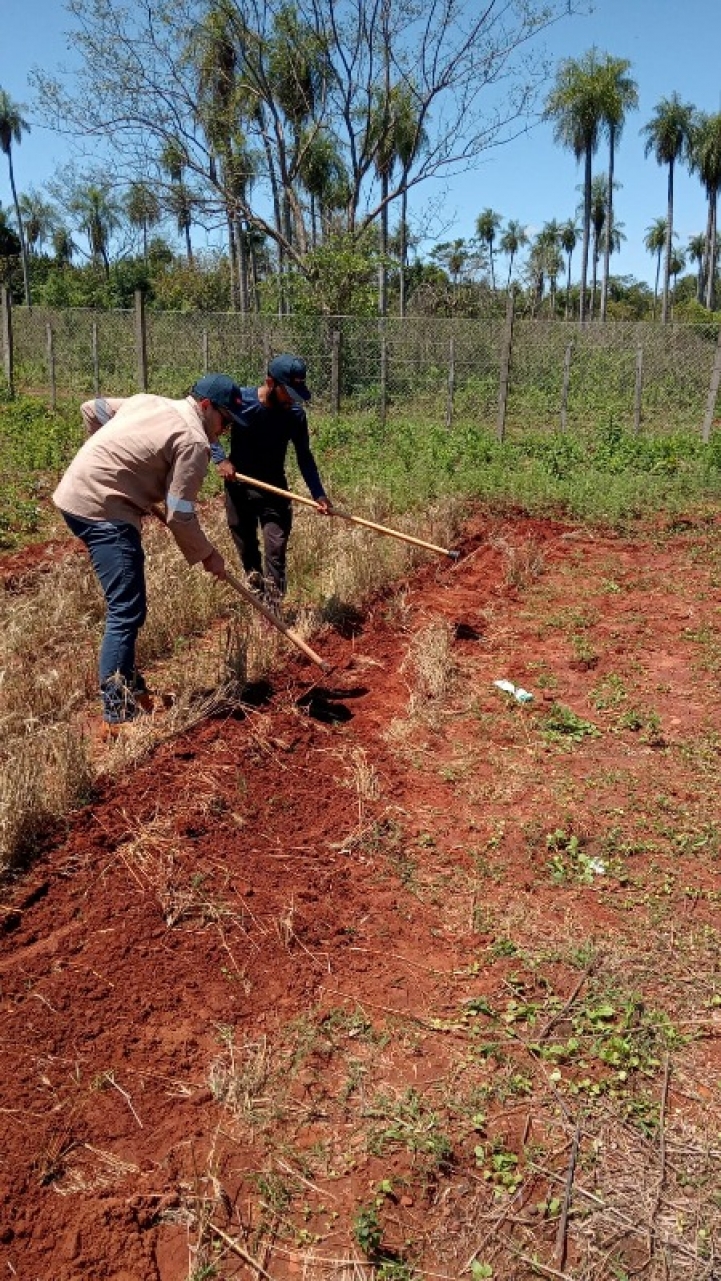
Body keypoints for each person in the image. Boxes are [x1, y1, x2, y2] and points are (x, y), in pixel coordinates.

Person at [53, 374, 243, 731]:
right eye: (226, 420)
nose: (226, 430)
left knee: (130, 602)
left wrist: (111, 458)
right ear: (205, 407)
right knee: (126, 608)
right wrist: (208, 555)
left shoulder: (150, 401)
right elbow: (179, 514)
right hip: (102, 509)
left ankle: (129, 682)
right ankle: (118, 709)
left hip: (75, 493)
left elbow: (92, 409)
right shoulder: (194, 442)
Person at [211, 354, 330, 605]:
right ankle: (258, 598)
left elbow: (304, 457)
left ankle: (273, 609)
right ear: (270, 382)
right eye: (288, 393)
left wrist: (318, 494)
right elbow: (207, 429)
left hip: (274, 489)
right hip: (239, 486)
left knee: (275, 549)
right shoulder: (240, 401)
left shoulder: (294, 415)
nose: (292, 401)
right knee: (248, 549)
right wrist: (221, 460)